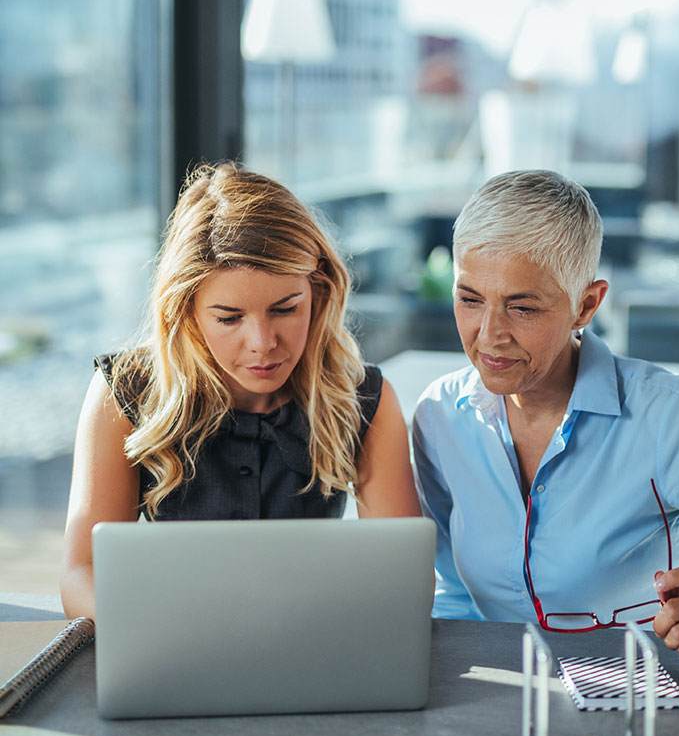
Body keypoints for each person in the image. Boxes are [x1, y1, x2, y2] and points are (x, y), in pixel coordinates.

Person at [412, 170, 679, 670]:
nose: (489, 335)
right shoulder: (440, 417)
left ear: (586, 305)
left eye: (523, 307)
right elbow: (454, 595)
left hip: (642, 708)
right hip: (498, 708)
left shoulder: (668, 417)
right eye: (469, 299)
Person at [61, 162, 420, 619]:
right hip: (171, 651)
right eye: (229, 318)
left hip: (313, 649)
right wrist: (154, 633)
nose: (263, 343)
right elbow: (81, 573)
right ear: (186, 310)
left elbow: (401, 576)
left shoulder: (361, 397)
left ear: (319, 291)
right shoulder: (125, 392)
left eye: (286, 309)